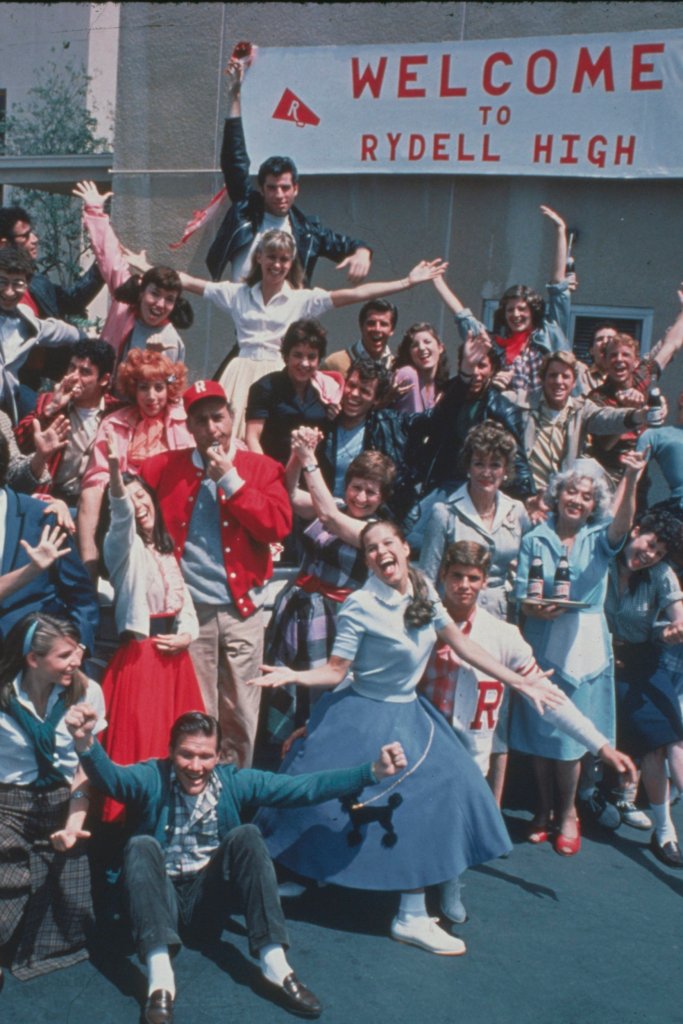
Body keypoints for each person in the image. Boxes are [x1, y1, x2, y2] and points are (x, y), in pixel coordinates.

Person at [251, 519, 568, 956]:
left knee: (443, 789)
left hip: (410, 714)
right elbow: (337, 671)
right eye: (371, 548)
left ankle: (412, 914)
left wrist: (520, 681)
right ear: (367, 560)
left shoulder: (421, 587)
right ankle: (302, 873)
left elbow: (459, 642)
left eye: (388, 543)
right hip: (361, 711)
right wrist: (296, 675)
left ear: (404, 547)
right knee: (320, 793)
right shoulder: (359, 605)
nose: (382, 552)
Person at [66, 706, 406, 1022]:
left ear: (218, 756)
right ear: (171, 752)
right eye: (186, 754)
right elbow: (112, 779)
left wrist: (372, 772)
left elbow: (302, 788)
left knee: (247, 834)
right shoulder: (151, 776)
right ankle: (160, 979)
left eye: (205, 756)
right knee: (140, 845)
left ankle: (275, 964)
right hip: (159, 904)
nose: (195, 766)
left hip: (206, 903)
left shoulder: (233, 781)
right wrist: (85, 741)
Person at [420, 540, 636, 920]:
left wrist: (600, 745)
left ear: (485, 581)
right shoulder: (419, 621)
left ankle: (449, 883)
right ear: (442, 576)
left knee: (451, 823)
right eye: (456, 576)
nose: (464, 586)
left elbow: (549, 698)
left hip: (468, 751)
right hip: (420, 737)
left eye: (473, 578)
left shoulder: (502, 635)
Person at [140, 380, 292, 768]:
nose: (212, 429)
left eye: (218, 417)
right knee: (197, 711)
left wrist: (231, 480)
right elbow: (128, 509)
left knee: (241, 709)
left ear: (232, 417)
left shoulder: (261, 468)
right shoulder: (162, 467)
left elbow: (277, 527)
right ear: (189, 426)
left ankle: (234, 796)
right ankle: (196, 793)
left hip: (243, 608)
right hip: (192, 612)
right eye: (202, 420)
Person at [509, 452, 647, 856]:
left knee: (570, 739)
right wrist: (535, 608)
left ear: (593, 505)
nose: (577, 500)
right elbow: (524, 591)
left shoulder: (600, 535)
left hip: (584, 644)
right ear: (558, 493)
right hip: (541, 635)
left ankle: (567, 813)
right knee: (541, 731)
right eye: (571, 490)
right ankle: (543, 807)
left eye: (586, 496)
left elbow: (623, 522)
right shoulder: (536, 536)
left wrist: (633, 477)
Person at [178, 229, 445, 437]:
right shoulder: (237, 294)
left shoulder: (302, 299)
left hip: (281, 374)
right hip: (240, 372)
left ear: (291, 262)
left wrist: (407, 282)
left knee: (274, 437)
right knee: (230, 435)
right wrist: (143, 269)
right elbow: (189, 282)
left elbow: (354, 294)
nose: (277, 264)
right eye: (271, 257)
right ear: (259, 257)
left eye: (284, 259)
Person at [94, 432, 204, 822]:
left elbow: (185, 604)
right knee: (142, 745)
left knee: (182, 744)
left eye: (144, 496)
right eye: (131, 497)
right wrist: (113, 471)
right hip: (142, 657)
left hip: (175, 661)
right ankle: (131, 829)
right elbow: (121, 514)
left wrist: (188, 634)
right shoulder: (124, 551)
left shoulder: (164, 550)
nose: (139, 504)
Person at [419, 421, 530, 802]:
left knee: (495, 710)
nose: (487, 472)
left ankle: (490, 807)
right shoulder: (443, 512)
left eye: (496, 465)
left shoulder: (517, 512)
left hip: (499, 619)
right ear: (468, 465)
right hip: (453, 622)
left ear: (506, 469)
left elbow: (523, 569)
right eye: (480, 463)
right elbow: (427, 577)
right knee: (453, 708)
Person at [266, 428, 394, 740]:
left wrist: (311, 460)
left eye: (371, 492)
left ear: (382, 498)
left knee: (321, 694)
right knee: (285, 687)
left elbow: (330, 520)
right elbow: (289, 493)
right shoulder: (333, 503)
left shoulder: (374, 531)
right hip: (296, 607)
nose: (361, 497)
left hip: (334, 619)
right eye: (356, 487)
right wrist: (298, 453)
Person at [0, 613, 106, 983]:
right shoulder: (2, 693)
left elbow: (84, 770)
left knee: (66, 906)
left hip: (64, 802)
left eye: (76, 651)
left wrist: (73, 826)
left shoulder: (87, 692)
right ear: (33, 658)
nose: (76, 661)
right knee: (6, 877)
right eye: (64, 656)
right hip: (7, 802)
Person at [206, 54, 372, 286]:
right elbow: (234, 160)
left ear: (296, 189)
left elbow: (347, 245)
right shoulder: (245, 210)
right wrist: (234, 95)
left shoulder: (307, 231)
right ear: (262, 190)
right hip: (245, 318)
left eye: (285, 187)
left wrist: (363, 251)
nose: (279, 195)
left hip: (289, 320)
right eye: (272, 188)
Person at [604, 509, 683, 865]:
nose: (651, 554)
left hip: (643, 660)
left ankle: (665, 831)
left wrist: (675, 629)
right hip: (602, 659)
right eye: (650, 544)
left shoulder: (660, 575)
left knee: (671, 739)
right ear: (635, 530)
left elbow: (679, 614)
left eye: (660, 552)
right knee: (657, 743)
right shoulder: (603, 557)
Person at [77, 349, 193, 579]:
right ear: (133, 389)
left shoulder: (185, 420)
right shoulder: (114, 423)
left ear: (169, 389)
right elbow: (97, 475)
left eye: (158, 387)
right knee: (90, 493)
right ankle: (88, 572)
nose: (151, 396)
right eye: (143, 388)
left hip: (171, 498)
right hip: (127, 501)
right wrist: (123, 488)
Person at [432, 204, 573, 393]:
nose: (516, 314)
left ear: (532, 311)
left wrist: (560, 230)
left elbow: (557, 287)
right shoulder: (495, 344)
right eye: (510, 310)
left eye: (522, 309)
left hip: (543, 416)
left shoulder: (550, 332)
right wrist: (437, 281)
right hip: (506, 417)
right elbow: (464, 317)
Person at [514, 349, 657, 513]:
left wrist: (640, 415)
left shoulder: (581, 409)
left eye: (565, 376)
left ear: (574, 382)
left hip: (562, 503)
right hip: (528, 499)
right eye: (553, 375)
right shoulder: (521, 403)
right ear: (543, 379)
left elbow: (608, 418)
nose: (559, 381)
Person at [73, 180, 192, 362]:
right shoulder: (125, 305)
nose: (160, 304)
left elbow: (174, 380)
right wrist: (95, 211)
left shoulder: (171, 340)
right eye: (155, 294)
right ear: (141, 292)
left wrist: (161, 369)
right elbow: (109, 254)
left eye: (169, 299)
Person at [0, 435, 98, 653]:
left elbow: (80, 595)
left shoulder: (43, 516)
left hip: (34, 664)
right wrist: (31, 570)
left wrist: (78, 646)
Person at [14, 338, 117, 505]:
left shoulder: (115, 412)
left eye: (84, 372)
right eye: (71, 367)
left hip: (92, 506)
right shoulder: (49, 401)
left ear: (104, 379)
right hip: (49, 497)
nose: (73, 377)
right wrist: (51, 409)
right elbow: (18, 445)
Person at [0, 248, 84, 423]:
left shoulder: (26, 320)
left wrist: (86, 338)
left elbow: (59, 331)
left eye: (17, 283)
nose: (9, 292)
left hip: (8, 402)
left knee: (43, 420)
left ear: (27, 285)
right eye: (2, 282)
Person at [245, 318, 342, 464]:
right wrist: (266, 475)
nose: (304, 363)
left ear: (319, 360)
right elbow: (252, 438)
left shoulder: (324, 391)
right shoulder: (265, 388)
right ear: (286, 357)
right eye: (298, 355)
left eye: (311, 357)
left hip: (313, 472)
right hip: (275, 472)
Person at [0, 203, 104, 320]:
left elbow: (72, 302)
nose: (34, 239)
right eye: (26, 236)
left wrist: (100, 266)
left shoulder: (36, 281)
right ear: (4, 244)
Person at [322, 299, 398, 376]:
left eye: (383, 324)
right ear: (361, 326)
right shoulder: (334, 364)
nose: (377, 329)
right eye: (371, 323)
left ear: (392, 330)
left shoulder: (397, 368)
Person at [390, 322, 449, 413]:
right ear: (409, 353)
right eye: (415, 345)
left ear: (440, 348)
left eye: (427, 342)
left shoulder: (438, 386)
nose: (421, 348)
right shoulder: (408, 375)